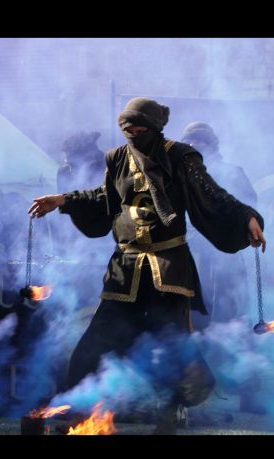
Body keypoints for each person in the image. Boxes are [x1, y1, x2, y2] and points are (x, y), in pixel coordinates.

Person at [28, 97, 266, 434]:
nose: (134, 135)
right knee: (94, 343)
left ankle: (176, 409)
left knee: (172, 347)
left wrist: (247, 217)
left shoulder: (180, 157)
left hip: (168, 269)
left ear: (154, 128)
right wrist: (63, 200)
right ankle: (81, 412)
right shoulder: (117, 158)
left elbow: (211, 194)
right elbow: (103, 198)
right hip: (124, 269)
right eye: (128, 130)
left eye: (140, 130)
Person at [180, 121, 266, 416]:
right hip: (195, 260)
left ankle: (247, 393)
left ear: (210, 145)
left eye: (199, 143)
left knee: (236, 326)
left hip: (226, 260)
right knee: (192, 324)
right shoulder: (182, 175)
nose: (194, 148)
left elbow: (249, 206)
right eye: (190, 144)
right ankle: (191, 398)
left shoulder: (233, 173)